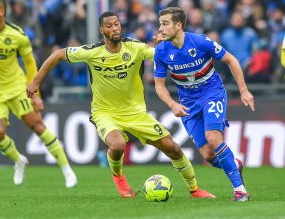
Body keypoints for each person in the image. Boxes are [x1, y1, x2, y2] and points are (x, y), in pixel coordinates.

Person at [27, 11, 214, 199]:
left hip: (135, 112)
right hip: (105, 112)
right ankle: (118, 177)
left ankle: (195, 190)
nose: (115, 28)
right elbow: (58, 54)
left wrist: (166, 45)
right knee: (117, 145)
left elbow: (162, 55)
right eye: (109, 25)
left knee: (172, 147)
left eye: (116, 24)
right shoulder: (92, 52)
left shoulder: (135, 47)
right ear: (102, 30)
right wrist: (35, 82)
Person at [0, 0, 77, 187]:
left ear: (2, 12)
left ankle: (67, 169)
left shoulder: (18, 35)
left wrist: (36, 93)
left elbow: (30, 63)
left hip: (16, 88)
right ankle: (19, 160)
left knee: (37, 126)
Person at [153, 7, 254, 202]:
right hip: (188, 104)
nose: (160, 28)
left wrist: (243, 90)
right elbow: (159, 86)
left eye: (165, 23)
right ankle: (234, 163)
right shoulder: (161, 51)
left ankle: (240, 190)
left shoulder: (200, 41)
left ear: (179, 25)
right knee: (208, 155)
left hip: (212, 93)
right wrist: (172, 104)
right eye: (160, 24)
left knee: (213, 137)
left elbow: (231, 60)